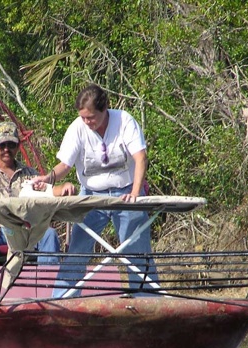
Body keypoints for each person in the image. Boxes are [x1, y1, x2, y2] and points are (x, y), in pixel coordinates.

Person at [32, 84, 157, 297]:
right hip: (91, 195)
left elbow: (140, 157)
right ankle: (62, 300)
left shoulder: (124, 120)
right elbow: (65, 166)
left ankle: (149, 300)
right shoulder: (77, 128)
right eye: (83, 118)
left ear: (105, 109)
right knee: (78, 249)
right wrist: (47, 178)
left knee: (137, 251)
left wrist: (135, 193)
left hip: (126, 192)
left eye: (91, 117)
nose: (87, 122)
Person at [0, 121, 75, 266]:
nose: (6, 149)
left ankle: (47, 283)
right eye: (1, 145)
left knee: (49, 234)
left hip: (25, 230)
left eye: (11, 145)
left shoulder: (29, 174)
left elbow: (49, 191)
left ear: (18, 146)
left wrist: (65, 187)